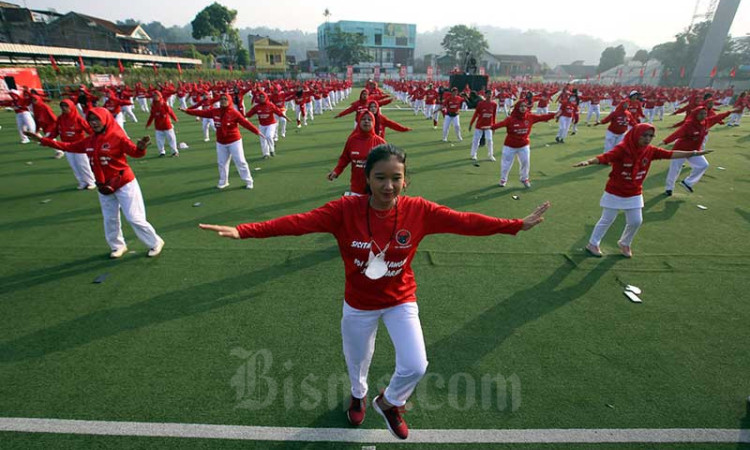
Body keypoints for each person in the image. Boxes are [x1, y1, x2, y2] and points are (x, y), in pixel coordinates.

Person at [199, 144, 550, 440]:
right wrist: (245, 231)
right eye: (380, 177)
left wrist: (516, 226)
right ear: (366, 179)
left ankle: (390, 401)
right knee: (358, 363)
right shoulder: (344, 210)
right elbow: (298, 223)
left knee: (416, 364)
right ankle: (359, 397)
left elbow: (467, 222)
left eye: (396, 178)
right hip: (359, 305)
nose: (388, 185)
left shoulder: (419, 211)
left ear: (406, 179)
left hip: (400, 300)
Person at [26, 107, 165, 259]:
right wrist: (43, 140)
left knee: (134, 217)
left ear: (105, 119)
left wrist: (141, 148)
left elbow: (135, 153)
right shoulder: (89, 140)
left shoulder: (118, 136)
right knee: (110, 219)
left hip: (124, 183)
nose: (94, 123)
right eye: (91, 120)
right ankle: (118, 246)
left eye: (97, 119)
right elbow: (68, 146)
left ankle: (155, 242)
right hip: (104, 186)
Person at [573, 123, 712, 258]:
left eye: (650, 136)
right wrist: (589, 161)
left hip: (634, 191)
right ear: (636, 134)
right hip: (615, 191)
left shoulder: (651, 151)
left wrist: (694, 153)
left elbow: (670, 154)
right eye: (644, 135)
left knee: (636, 221)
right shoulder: (622, 148)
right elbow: (606, 157)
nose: (647, 138)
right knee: (607, 219)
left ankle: (624, 243)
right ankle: (593, 244)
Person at [181, 93, 268, 190]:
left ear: (229, 101)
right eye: (222, 99)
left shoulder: (234, 113)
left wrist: (257, 131)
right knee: (222, 163)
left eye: (225, 99)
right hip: (221, 142)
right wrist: (187, 111)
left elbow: (245, 123)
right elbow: (201, 113)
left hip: (234, 141)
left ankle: (248, 181)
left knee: (240, 162)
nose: (223, 100)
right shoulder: (215, 111)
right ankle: (223, 181)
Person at [660, 106, 731, 195]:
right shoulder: (689, 124)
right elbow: (677, 134)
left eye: (705, 113)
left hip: (695, 151)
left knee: (703, 165)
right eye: (701, 113)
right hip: (680, 150)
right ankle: (669, 189)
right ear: (695, 114)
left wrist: (729, 112)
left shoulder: (706, 122)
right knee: (674, 170)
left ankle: (687, 182)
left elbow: (718, 117)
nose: (703, 115)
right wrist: (665, 141)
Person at [490, 100, 556, 188]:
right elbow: (501, 124)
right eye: (521, 106)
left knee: (525, 162)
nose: (523, 108)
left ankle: (524, 179)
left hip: (524, 145)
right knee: (506, 164)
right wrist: (491, 127)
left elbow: (542, 117)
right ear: (517, 108)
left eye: (525, 106)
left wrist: (554, 115)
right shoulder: (510, 119)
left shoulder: (530, 117)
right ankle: (503, 179)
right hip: (510, 146)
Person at [328, 111, 386, 195]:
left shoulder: (380, 142)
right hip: (356, 185)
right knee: (357, 207)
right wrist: (336, 171)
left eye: (369, 119)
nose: (366, 121)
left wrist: (399, 180)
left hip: (375, 185)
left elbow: (390, 163)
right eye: (363, 119)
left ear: (373, 123)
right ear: (359, 122)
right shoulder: (352, 140)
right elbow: (344, 158)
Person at [46, 99, 96, 190]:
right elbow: (55, 131)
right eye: (62, 106)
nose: (64, 108)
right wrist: (46, 140)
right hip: (67, 146)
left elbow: (89, 130)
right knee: (74, 165)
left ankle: (90, 181)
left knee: (83, 164)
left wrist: (95, 139)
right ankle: (82, 182)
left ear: (71, 107)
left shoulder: (78, 119)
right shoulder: (60, 118)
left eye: (66, 106)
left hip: (79, 146)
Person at [245, 91, 289, 158]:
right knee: (263, 139)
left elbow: (278, 112)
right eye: (260, 97)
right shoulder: (257, 107)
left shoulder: (270, 105)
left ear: (266, 97)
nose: (262, 98)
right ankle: (266, 154)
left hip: (271, 124)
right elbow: (249, 114)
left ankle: (272, 150)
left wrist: (285, 117)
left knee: (268, 136)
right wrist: (242, 117)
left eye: (263, 97)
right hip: (262, 125)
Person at [145, 91, 179, 157]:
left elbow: (170, 112)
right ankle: (162, 152)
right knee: (159, 141)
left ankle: (174, 152)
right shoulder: (153, 105)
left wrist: (175, 118)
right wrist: (148, 124)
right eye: (154, 96)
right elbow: (152, 116)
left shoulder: (164, 104)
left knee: (171, 139)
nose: (155, 97)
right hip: (158, 126)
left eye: (156, 96)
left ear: (160, 96)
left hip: (167, 125)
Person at [468, 93, 497, 161]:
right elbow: (475, 114)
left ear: (492, 96)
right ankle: (473, 155)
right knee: (476, 140)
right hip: (479, 125)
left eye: (490, 95)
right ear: (485, 95)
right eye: (488, 95)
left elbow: (494, 116)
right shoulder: (480, 104)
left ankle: (490, 155)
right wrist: (471, 124)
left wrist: (494, 127)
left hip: (489, 126)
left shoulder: (494, 104)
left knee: (489, 140)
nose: (489, 96)